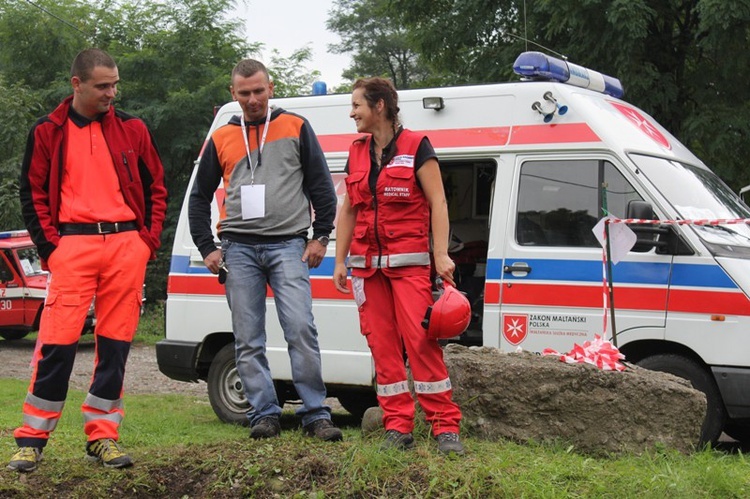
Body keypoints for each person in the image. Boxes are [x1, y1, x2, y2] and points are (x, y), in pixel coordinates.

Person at [9, 48, 167, 472]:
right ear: (76, 84)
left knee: (114, 347)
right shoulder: (47, 130)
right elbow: (33, 193)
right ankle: (32, 438)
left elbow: (156, 187)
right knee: (57, 345)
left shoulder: (133, 128)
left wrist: (146, 242)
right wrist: (51, 249)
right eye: (102, 85)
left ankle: (104, 436)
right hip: (72, 246)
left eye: (114, 84)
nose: (111, 93)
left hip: (125, 246)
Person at [188, 59, 341, 442]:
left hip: (289, 244)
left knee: (301, 329)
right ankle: (263, 413)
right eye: (244, 93)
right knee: (247, 337)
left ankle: (316, 413)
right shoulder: (222, 136)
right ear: (233, 94)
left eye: (259, 91)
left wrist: (321, 236)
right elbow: (198, 197)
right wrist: (207, 246)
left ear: (270, 88)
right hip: (237, 248)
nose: (253, 99)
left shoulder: (295, 126)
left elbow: (323, 186)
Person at [333, 77, 464, 454]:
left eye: (357, 104)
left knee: (421, 343)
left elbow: (438, 203)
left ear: (379, 107)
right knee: (382, 347)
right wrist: (340, 261)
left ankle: (445, 428)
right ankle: (398, 426)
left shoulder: (416, 146)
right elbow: (349, 210)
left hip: (408, 267)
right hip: (366, 269)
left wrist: (440, 254)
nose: (352, 112)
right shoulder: (356, 151)